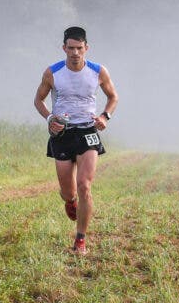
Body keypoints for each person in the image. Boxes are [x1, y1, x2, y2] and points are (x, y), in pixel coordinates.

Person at [33, 26, 118, 255]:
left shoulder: (98, 71)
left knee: (85, 186)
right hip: (62, 134)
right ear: (64, 48)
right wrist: (50, 118)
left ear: (86, 48)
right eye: (70, 48)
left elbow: (113, 97)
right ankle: (71, 202)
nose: (75, 53)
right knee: (68, 192)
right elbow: (38, 100)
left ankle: (80, 239)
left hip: (88, 131)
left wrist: (104, 116)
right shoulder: (52, 72)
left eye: (79, 48)